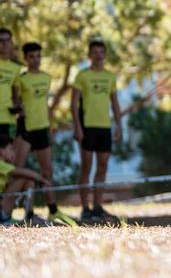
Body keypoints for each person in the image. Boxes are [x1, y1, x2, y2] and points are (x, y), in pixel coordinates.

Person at [13, 42, 76, 225]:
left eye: (38, 56)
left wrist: (51, 125)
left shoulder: (47, 78)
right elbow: (16, 101)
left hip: (42, 129)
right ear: (26, 59)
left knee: (47, 171)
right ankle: (25, 210)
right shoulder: (21, 79)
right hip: (25, 129)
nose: (35, 60)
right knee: (17, 171)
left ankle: (53, 210)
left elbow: (45, 105)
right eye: (32, 56)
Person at [72, 40, 122, 223]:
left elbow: (115, 103)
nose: (98, 55)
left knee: (102, 167)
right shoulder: (82, 76)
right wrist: (77, 126)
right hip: (87, 127)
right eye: (95, 52)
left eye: (101, 52)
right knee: (86, 167)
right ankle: (85, 208)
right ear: (89, 55)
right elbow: (73, 104)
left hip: (105, 128)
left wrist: (118, 124)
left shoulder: (110, 77)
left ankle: (98, 207)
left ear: (105, 54)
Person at [0, 134, 51, 226]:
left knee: (27, 180)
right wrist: (43, 181)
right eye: (10, 149)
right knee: (25, 178)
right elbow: (26, 173)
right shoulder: (1, 165)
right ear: (1, 151)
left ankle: (29, 215)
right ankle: (30, 216)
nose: (13, 153)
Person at [0, 28, 22, 138]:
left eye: (7, 40)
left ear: (11, 43)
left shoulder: (16, 67)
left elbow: (15, 95)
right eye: (1, 41)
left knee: (7, 154)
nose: (4, 44)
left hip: (8, 118)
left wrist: (19, 107)